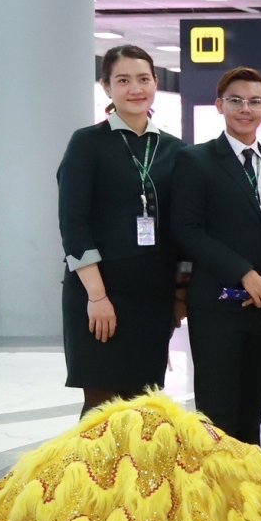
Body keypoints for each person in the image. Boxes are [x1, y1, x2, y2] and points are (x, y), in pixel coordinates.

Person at [57, 44, 185, 412]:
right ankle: (86, 473)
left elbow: (181, 229)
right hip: (98, 292)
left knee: (142, 406)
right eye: (123, 80)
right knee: (101, 406)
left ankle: (131, 474)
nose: (135, 88)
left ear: (155, 83)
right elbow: (74, 223)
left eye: (143, 79)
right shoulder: (88, 143)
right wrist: (97, 297)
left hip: (152, 296)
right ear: (106, 87)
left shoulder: (174, 149)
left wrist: (177, 297)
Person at [172, 66, 261, 446]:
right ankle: (215, 496)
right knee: (217, 414)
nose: (246, 108)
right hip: (217, 308)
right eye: (236, 101)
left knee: (253, 412)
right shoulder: (196, 161)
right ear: (219, 105)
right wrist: (244, 273)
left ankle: (247, 496)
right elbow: (187, 231)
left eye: (255, 101)